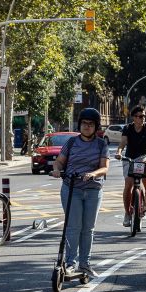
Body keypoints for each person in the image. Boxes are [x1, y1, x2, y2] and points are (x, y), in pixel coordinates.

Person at [50, 108, 109, 279]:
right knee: (73, 227)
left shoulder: (101, 144)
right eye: (84, 123)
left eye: (91, 124)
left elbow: (105, 167)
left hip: (93, 189)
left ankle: (85, 264)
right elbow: (59, 162)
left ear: (96, 126)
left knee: (88, 229)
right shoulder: (71, 142)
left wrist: (93, 174)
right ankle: (70, 263)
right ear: (80, 124)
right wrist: (56, 170)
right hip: (72, 188)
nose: (87, 127)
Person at [116, 106, 146, 227]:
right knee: (128, 184)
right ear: (134, 118)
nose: (143, 118)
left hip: (144, 156)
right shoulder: (127, 128)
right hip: (129, 158)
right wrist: (119, 153)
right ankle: (127, 213)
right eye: (140, 116)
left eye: (144, 116)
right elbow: (122, 143)